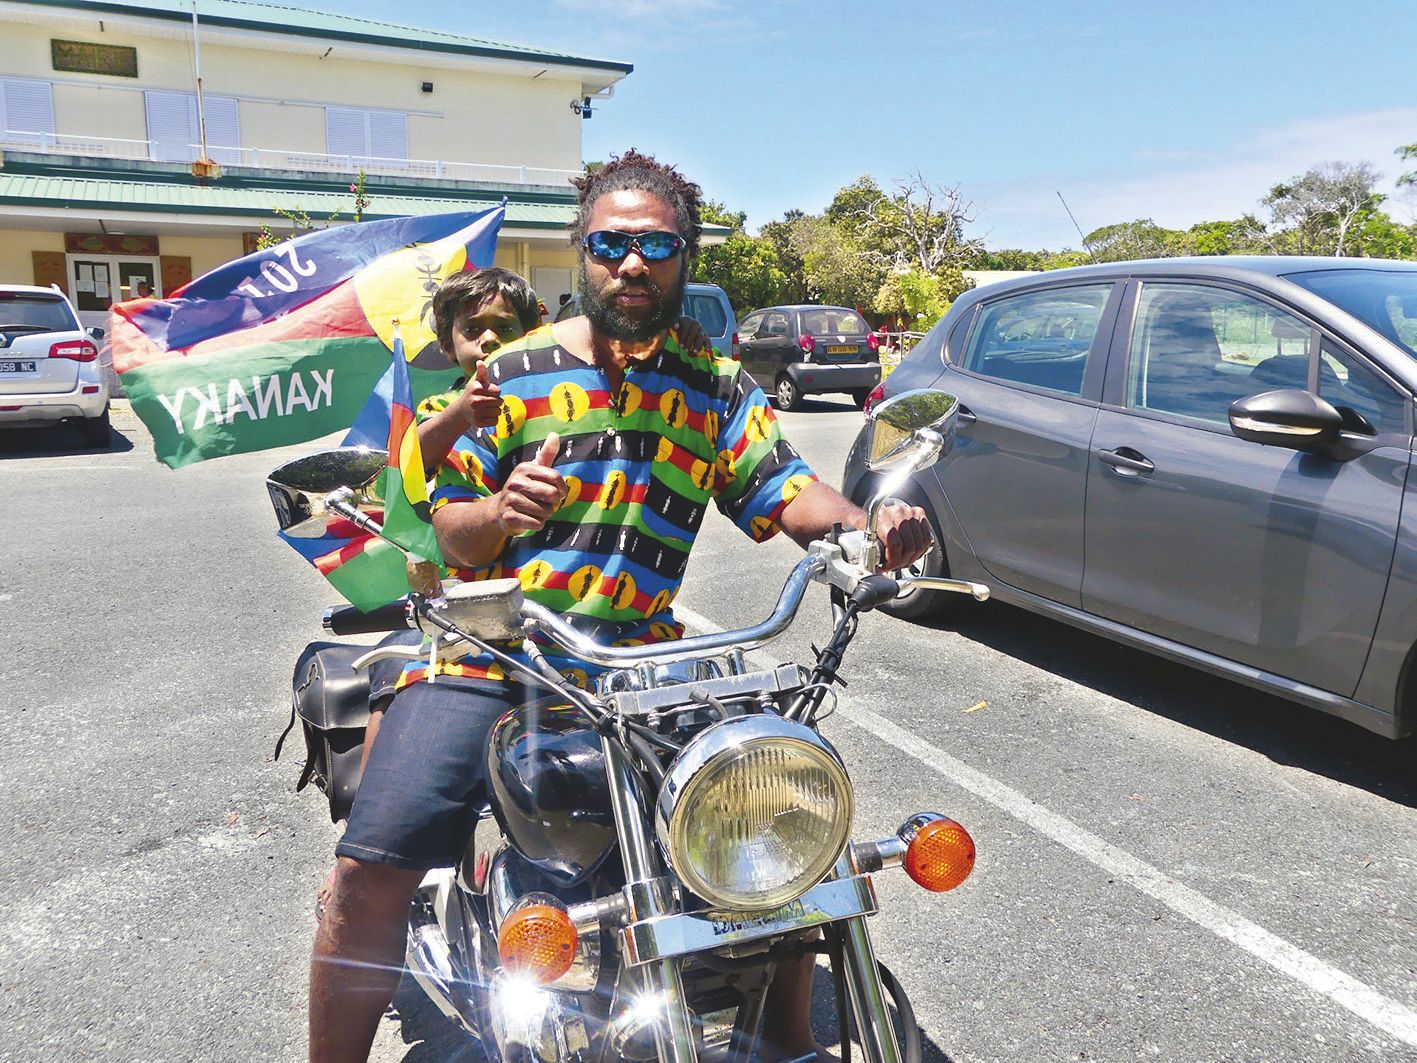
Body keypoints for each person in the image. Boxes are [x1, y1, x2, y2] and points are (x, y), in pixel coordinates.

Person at [309, 149, 932, 1063]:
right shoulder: (511, 374)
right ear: (583, 254)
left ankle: (787, 1042)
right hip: (500, 655)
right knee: (371, 869)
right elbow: (451, 535)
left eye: (655, 245)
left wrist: (865, 524)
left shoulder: (715, 385)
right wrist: (499, 511)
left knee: (786, 812)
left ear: (684, 256)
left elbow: (786, 488)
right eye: (610, 244)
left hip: (644, 663)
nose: (632, 264)